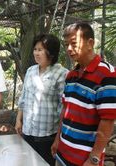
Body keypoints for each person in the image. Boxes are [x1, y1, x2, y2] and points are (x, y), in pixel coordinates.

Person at [51, 22, 116, 166]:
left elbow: (108, 120)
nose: (69, 49)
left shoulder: (106, 75)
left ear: (90, 43)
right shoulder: (71, 75)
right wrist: (57, 140)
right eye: (66, 44)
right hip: (62, 153)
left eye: (74, 43)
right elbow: (65, 110)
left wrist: (94, 158)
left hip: (84, 160)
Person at [15, 34, 68, 166]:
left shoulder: (62, 73)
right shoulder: (30, 71)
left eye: (40, 50)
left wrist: (58, 139)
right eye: (35, 49)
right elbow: (24, 97)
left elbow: (63, 108)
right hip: (28, 132)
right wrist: (18, 120)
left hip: (47, 136)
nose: (36, 53)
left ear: (51, 52)